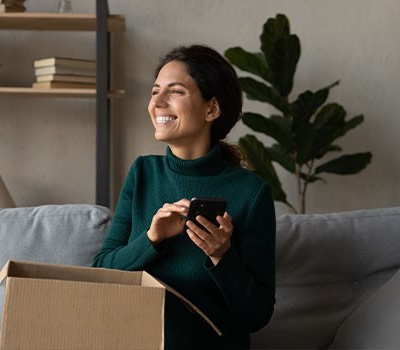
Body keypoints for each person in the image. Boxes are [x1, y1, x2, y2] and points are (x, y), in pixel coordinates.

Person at [92, 44, 275, 349]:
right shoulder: (142, 173)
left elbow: (256, 316)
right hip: (132, 337)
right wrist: (151, 239)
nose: (157, 103)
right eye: (154, 92)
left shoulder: (251, 193)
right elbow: (101, 273)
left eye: (175, 92)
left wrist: (221, 255)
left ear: (211, 109)